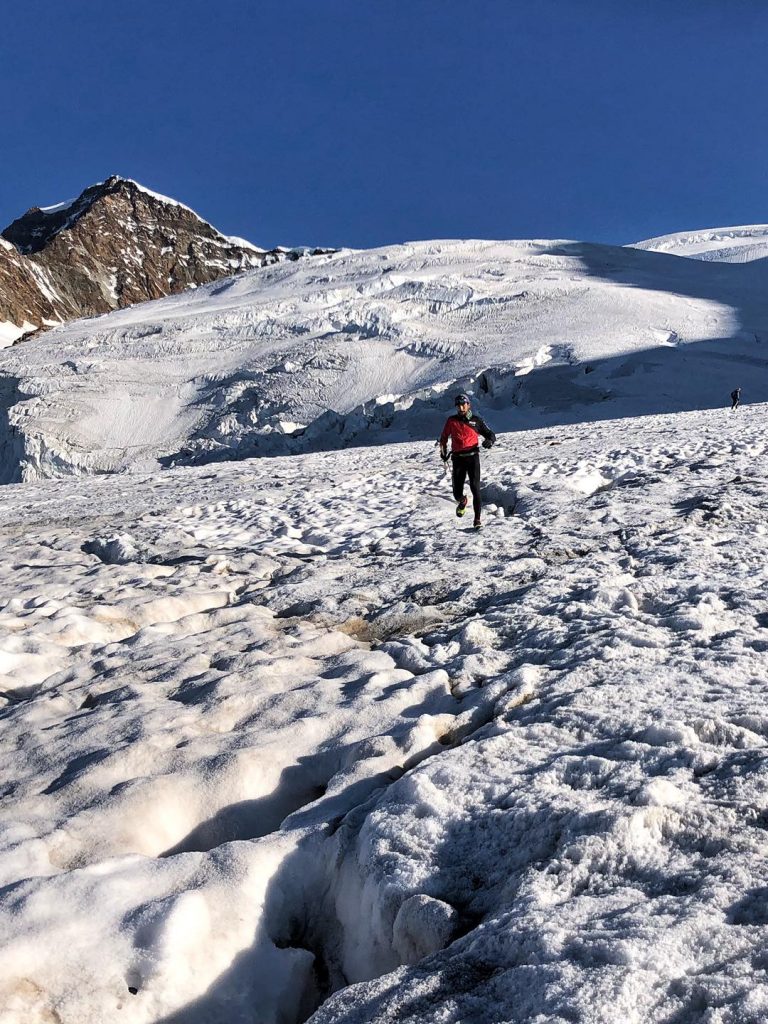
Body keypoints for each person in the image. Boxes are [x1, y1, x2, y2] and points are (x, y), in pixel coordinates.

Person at [439, 393, 496, 529]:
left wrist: (489, 441)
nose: (461, 407)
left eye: (463, 404)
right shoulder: (451, 421)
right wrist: (443, 452)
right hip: (458, 459)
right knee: (456, 493)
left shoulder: (476, 421)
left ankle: (477, 520)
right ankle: (463, 500)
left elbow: (490, 434)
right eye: (458, 405)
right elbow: (444, 437)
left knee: (475, 488)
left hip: (472, 458)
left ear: (468, 405)